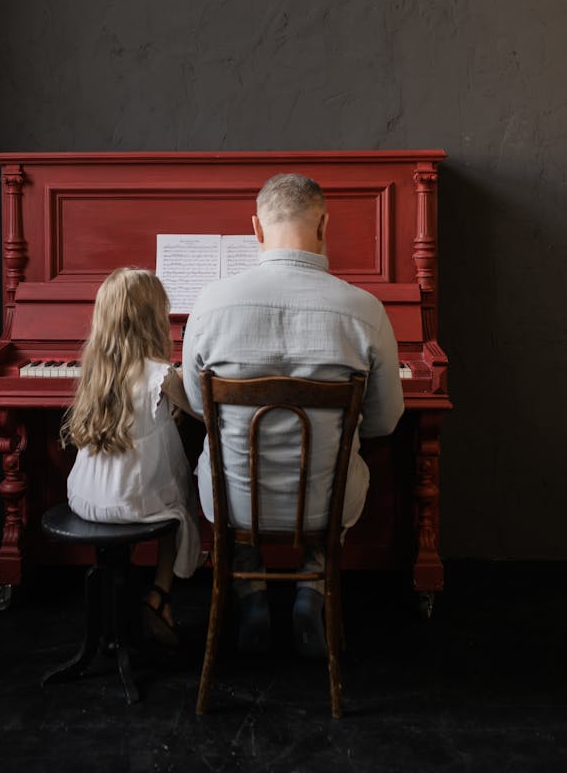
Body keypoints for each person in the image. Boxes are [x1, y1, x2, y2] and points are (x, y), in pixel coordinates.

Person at [181, 173, 404, 658]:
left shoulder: (209, 304)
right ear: (324, 223)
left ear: (256, 229)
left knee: (215, 463)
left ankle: (250, 593)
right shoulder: (365, 310)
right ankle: (313, 588)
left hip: (233, 506)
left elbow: (199, 411)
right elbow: (386, 421)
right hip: (327, 507)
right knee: (347, 471)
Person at [61, 267, 202, 648]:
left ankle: (115, 606)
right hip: (132, 503)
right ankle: (159, 595)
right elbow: (203, 410)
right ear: (155, 318)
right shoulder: (160, 374)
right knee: (180, 505)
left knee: (153, 489)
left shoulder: (95, 369)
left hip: (85, 499)